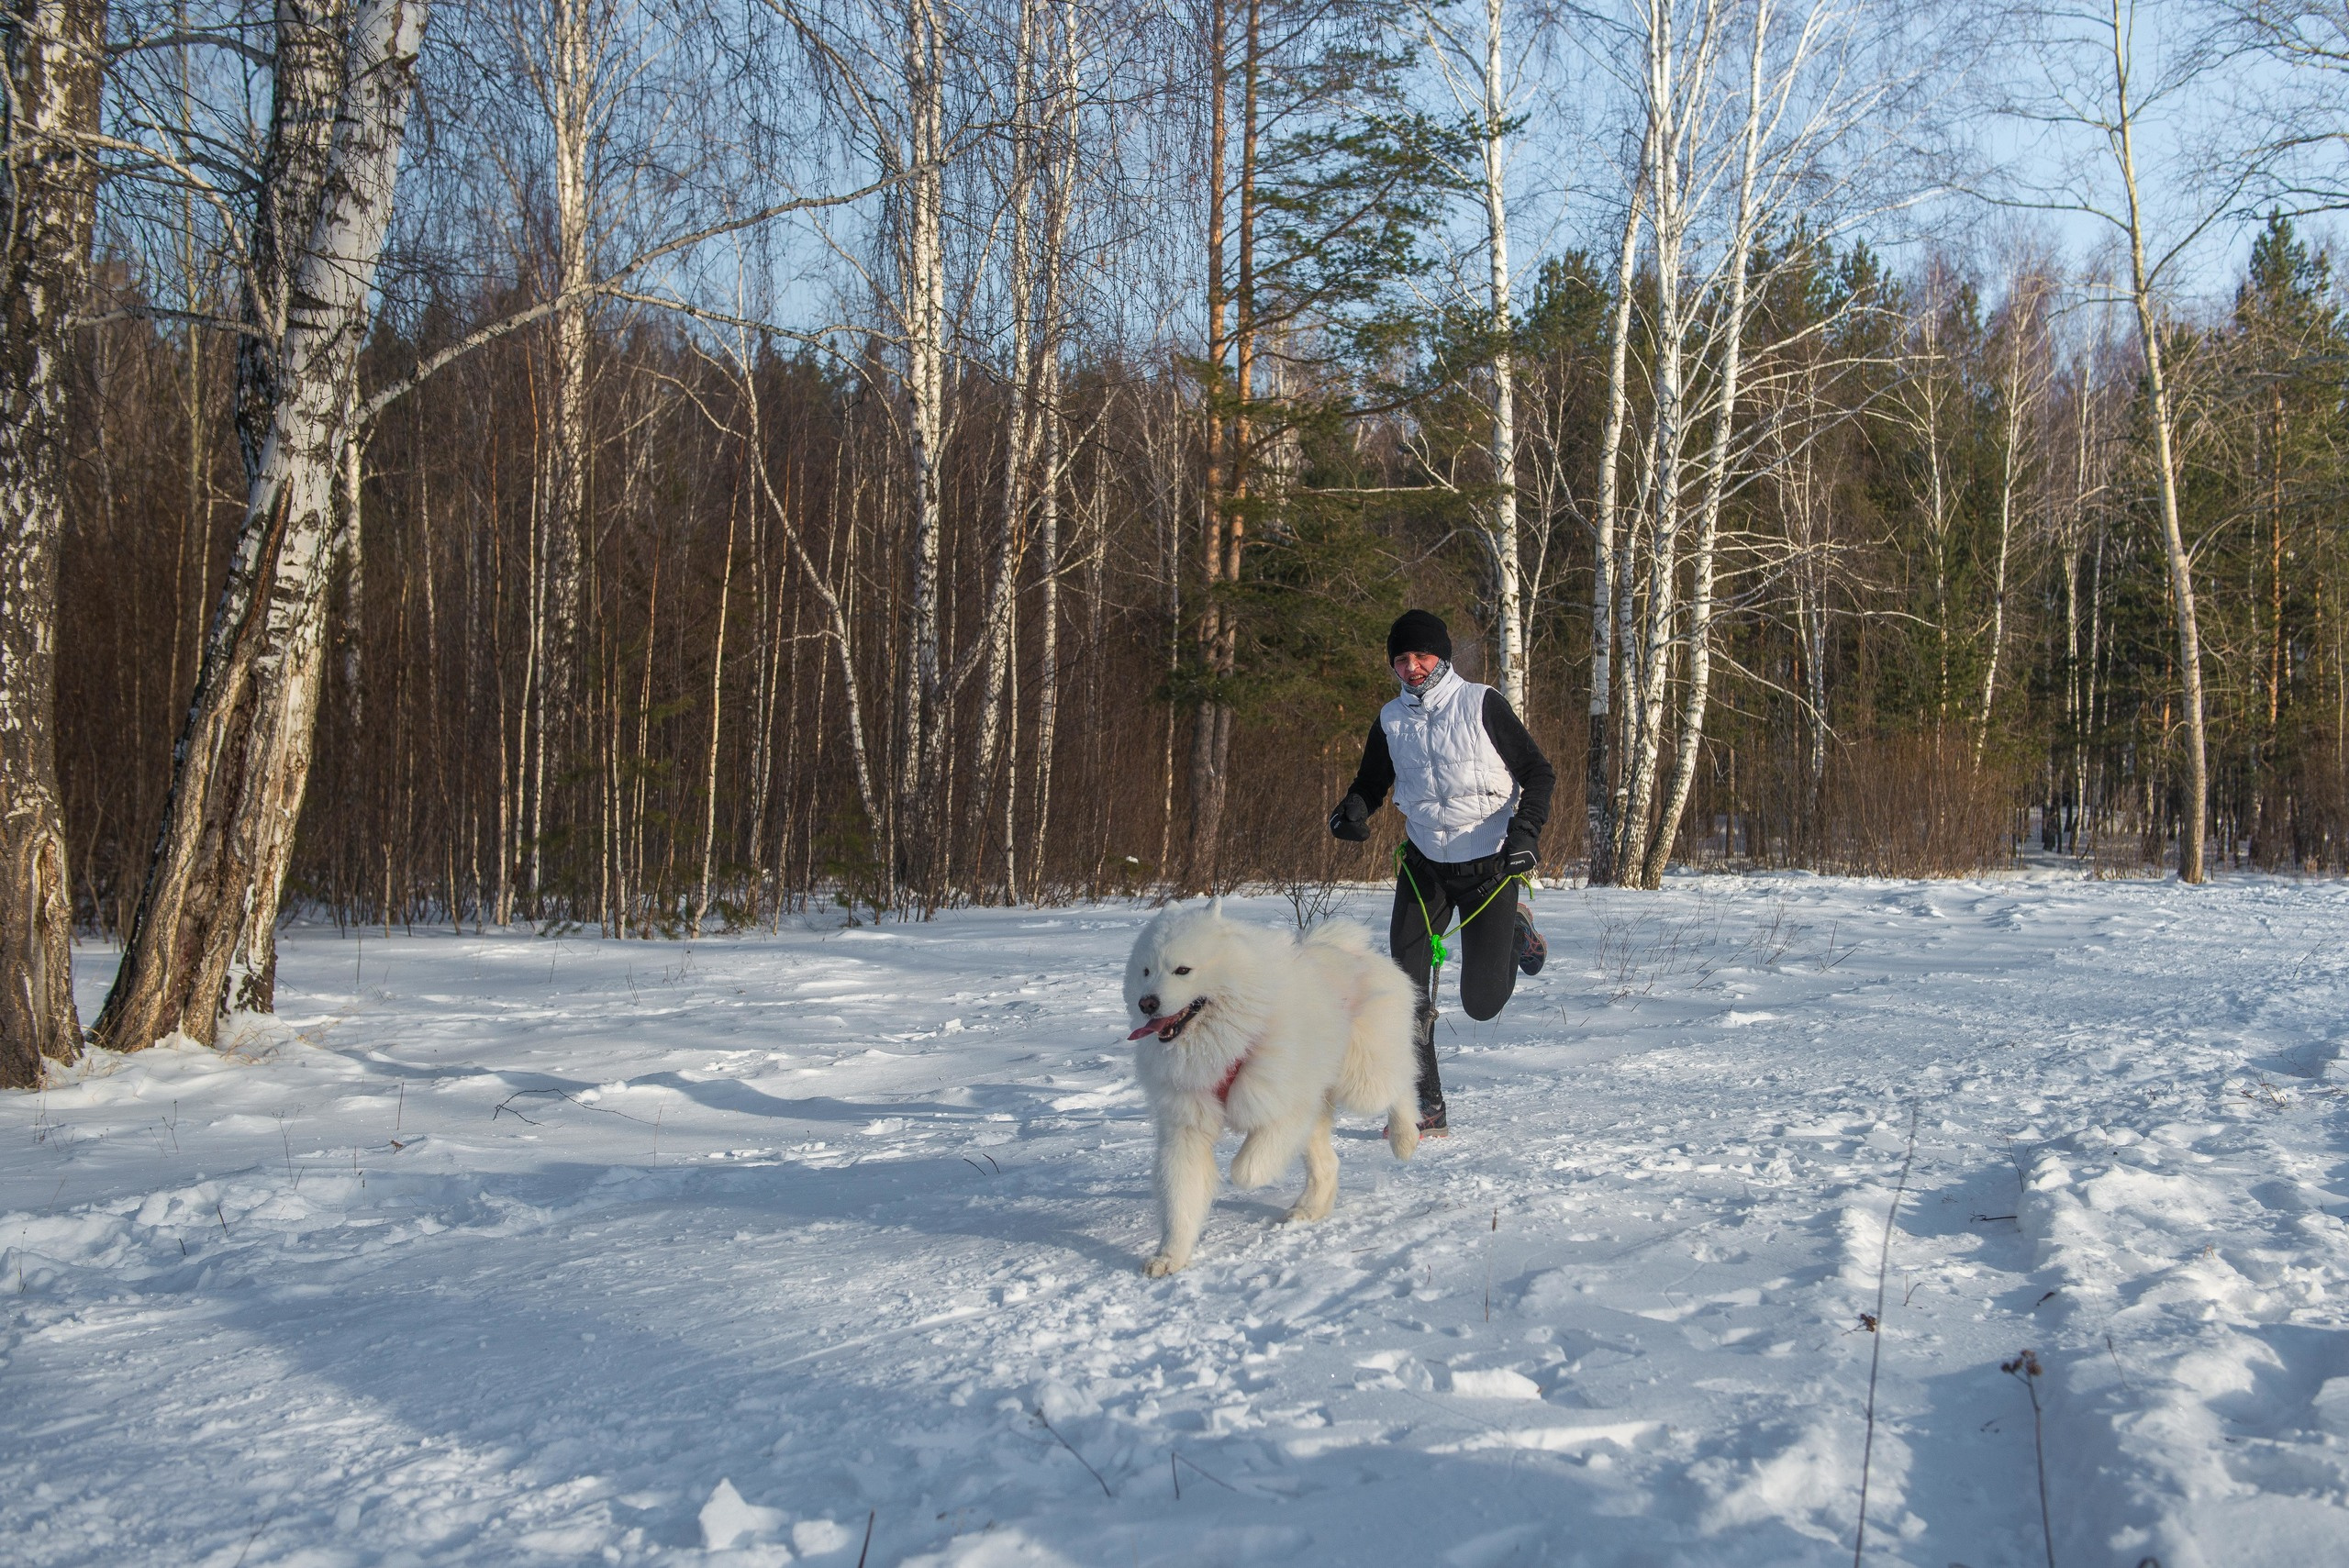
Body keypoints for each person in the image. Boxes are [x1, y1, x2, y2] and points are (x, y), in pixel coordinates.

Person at [1327, 609, 1552, 1135]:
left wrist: (1524, 838)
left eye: (1421, 656)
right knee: (1405, 993)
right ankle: (1426, 1106)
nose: (1412, 667)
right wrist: (1354, 811)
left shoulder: (1480, 703)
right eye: (1401, 659)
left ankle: (1517, 932)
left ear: (1442, 656)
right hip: (1424, 865)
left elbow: (1539, 773)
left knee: (1481, 1003)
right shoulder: (1390, 720)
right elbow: (1371, 782)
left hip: (1491, 868)